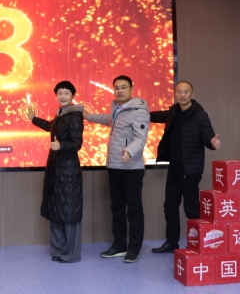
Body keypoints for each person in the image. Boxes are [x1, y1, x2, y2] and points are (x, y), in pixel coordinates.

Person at [150, 80, 221, 254]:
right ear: (175, 94)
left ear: (192, 94)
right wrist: (139, 112)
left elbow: (207, 135)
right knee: (170, 207)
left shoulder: (200, 115)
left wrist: (212, 142)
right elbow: (156, 116)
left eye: (186, 92)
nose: (182, 95)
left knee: (192, 209)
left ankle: (196, 244)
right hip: (174, 169)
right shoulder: (173, 112)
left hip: (191, 170)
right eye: (179, 92)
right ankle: (171, 243)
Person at [84, 75, 149, 263]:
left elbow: (141, 137)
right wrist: (87, 116)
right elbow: (109, 120)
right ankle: (120, 245)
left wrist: (129, 151)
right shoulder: (117, 108)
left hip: (131, 169)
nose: (120, 91)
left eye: (123, 87)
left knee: (134, 210)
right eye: (116, 88)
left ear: (131, 89)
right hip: (114, 166)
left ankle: (134, 248)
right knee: (117, 209)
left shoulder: (139, 110)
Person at [28, 80, 85, 263]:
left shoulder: (74, 115)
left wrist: (61, 145)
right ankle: (58, 250)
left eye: (66, 93)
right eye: (60, 93)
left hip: (68, 171)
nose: (63, 96)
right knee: (57, 210)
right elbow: (50, 126)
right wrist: (33, 118)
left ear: (72, 96)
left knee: (69, 212)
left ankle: (71, 254)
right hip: (56, 169)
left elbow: (77, 143)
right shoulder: (61, 114)